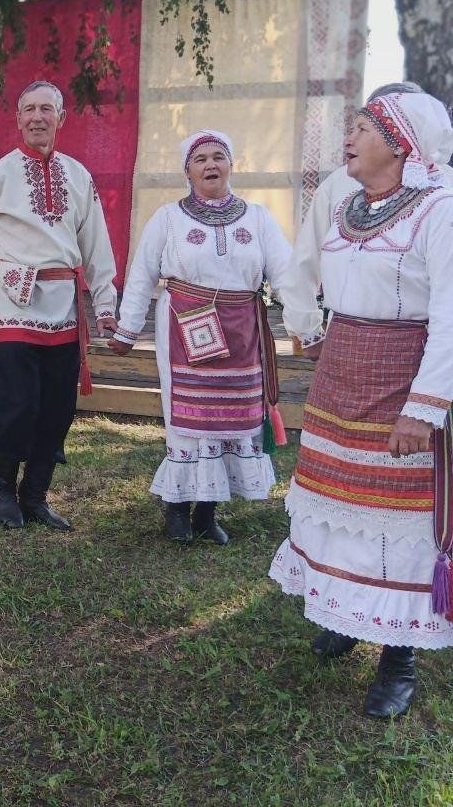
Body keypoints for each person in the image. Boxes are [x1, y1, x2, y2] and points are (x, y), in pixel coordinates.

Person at [268, 90, 453, 719]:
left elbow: (452, 320)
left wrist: (423, 410)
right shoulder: (348, 206)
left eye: (362, 128)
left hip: (401, 381)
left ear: (400, 143)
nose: (348, 136)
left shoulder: (439, 211)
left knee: (396, 521)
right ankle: (346, 614)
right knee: (339, 505)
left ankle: (398, 655)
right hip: (341, 375)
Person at [0, 80, 118, 531]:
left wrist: (105, 302)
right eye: (28, 110)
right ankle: (2, 489)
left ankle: (35, 495)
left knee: (58, 408)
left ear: (62, 118)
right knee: (18, 404)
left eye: (47, 109)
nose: (37, 117)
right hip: (15, 302)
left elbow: (96, 244)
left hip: (64, 306)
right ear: (18, 119)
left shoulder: (79, 176)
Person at [110, 130, 294, 543]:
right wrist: (127, 327)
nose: (211, 165)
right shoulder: (168, 218)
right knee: (188, 420)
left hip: (242, 329)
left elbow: (286, 274)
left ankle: (207, 512)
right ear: (187, 171)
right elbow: (141, 275)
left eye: (218, 157)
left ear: (231, 164)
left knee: (231, 422)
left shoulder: (258, 218)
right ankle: (176, 508)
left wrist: (306, 324)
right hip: (185, 325)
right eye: (201, 160)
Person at [280, 82, 450, 347]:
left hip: (424, 346)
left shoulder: (444, 189)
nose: (351, 139)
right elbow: (305, 259)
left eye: (365, 128)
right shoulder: (340, 186)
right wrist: (307, 332)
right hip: (344, 341)